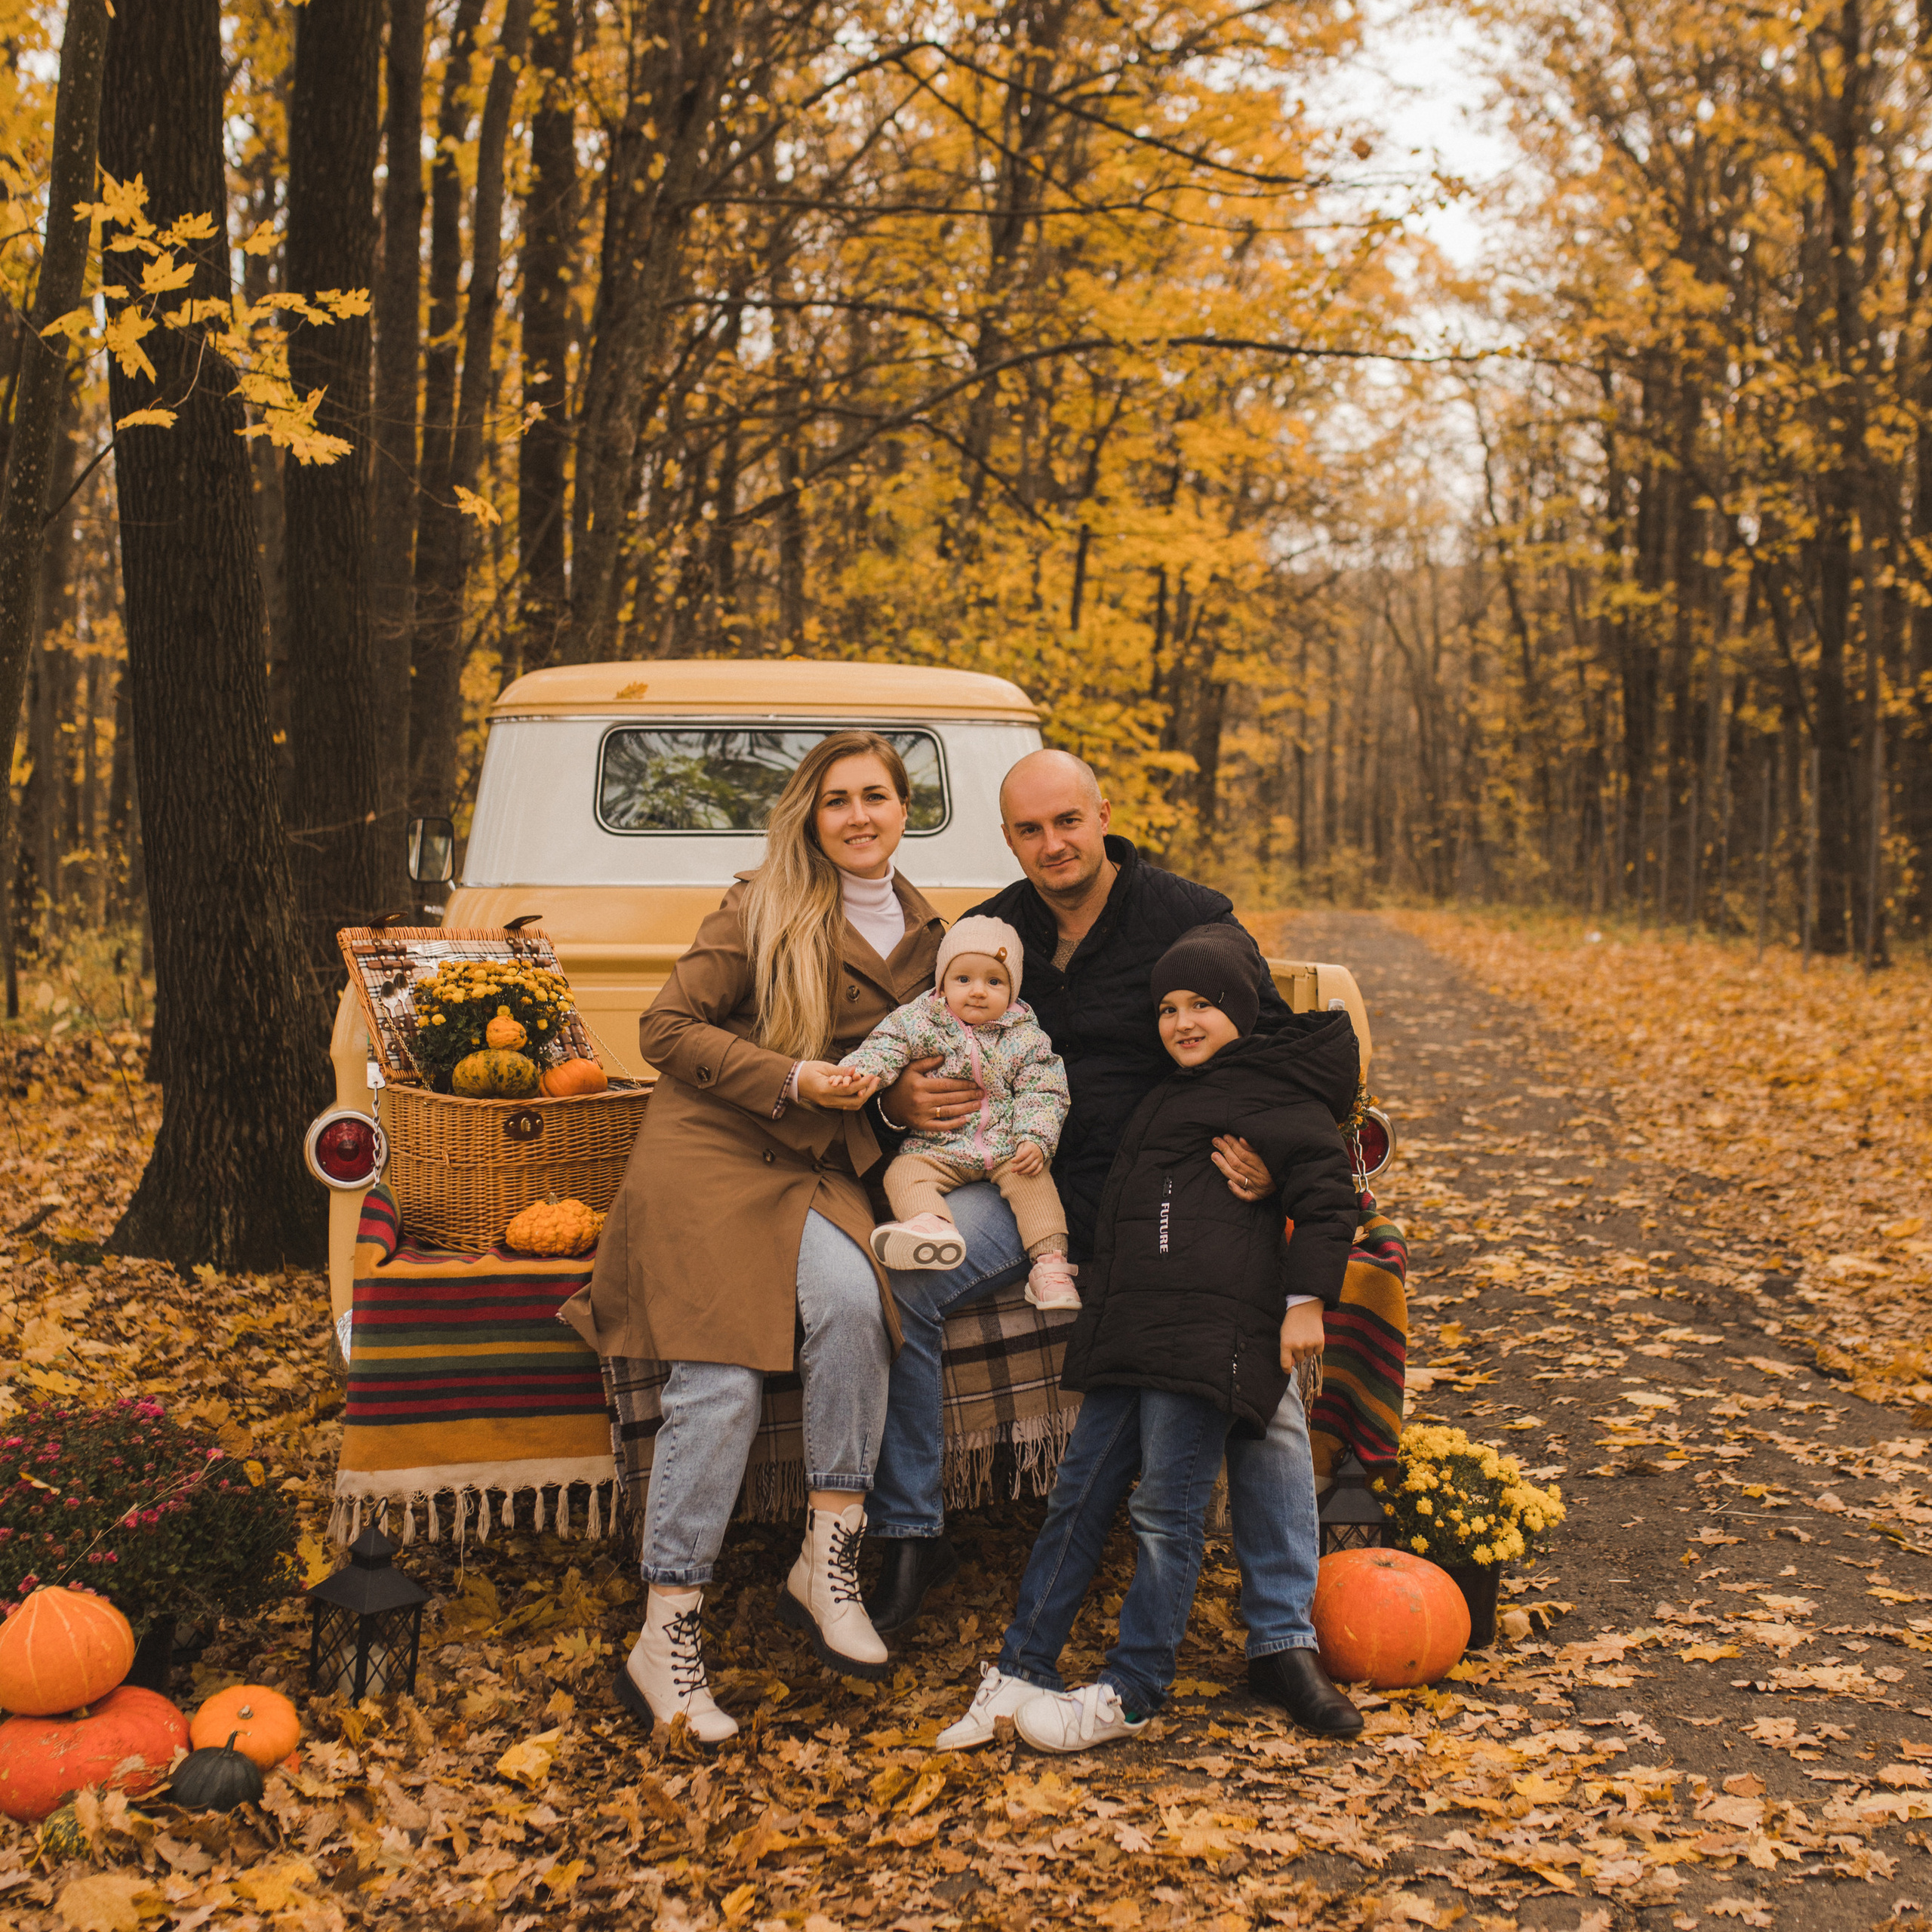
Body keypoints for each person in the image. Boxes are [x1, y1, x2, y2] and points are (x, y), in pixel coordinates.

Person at [865, 748, 1363, 1737]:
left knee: (1255, 1374)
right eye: (1030, 830)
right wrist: (898, 1100)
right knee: (903, 1284)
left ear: (1102, 816)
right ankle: (913, 1532)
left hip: (1181, 1194)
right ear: (1009, 839)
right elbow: (923, 1038)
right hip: (1031, 1181)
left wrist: (1271, 1167)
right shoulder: (993, 930)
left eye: (1067, 822)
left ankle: (1280, 1636)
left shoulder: (1189, 917)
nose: (1053, 844)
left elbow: (1274, 1054)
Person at [561, 731, 945, 1745]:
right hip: (713, 1150)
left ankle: (828, 1557)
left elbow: (905, 1068)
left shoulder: (931, 937)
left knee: (859, 1307)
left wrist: (901, 1099)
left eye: (875, 796)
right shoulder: (759, 904)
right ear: (810, 818)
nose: (858, 816)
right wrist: (791, 1077)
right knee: (721, 1378)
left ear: (904, 809)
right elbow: (664, 1029)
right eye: (836, 800)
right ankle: (666, 1632)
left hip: (818, 1166)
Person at [936, 924, 1360, 1752]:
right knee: (1077, 1497)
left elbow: (1327, 1194)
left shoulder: (1277, 1095)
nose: (1182, 1021)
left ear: (1241, 1009)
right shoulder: (1170, 1092)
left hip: (1206, 1334)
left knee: (1166, 1512)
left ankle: (1134, 1688)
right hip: (1133, 1327)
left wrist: (1305, 1302)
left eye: (1202, 1004)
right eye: (1168, 1008)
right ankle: (1023, 1666)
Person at [832, 913, 1078, 1309]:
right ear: (942, 982)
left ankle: (1050, 1266)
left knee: (1034, 1180)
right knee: (903, 1172)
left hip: (1005, 1146)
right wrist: (861, 1072)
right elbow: (885, 1046)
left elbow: (1045, 1089)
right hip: (939, 1147)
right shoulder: (919, 1021)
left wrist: (1035, 1138)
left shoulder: (1024, 1035)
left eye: (994, 982)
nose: (978, 991)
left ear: (1013, 990)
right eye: (964, 979)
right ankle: (932, 1225)